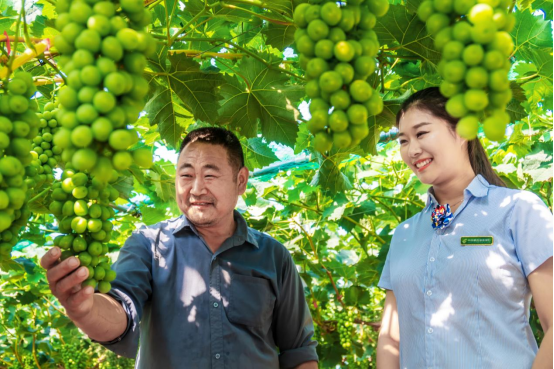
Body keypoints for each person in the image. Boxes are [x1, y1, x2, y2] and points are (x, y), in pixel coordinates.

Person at [41, 127, 319, 369]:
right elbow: (121, 311)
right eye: (186, 175)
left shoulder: (273, 255)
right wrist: (85, 309)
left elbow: (299, 351)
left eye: (210, 176)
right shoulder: (148, 243)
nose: (196, 189)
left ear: (241, 181)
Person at [376, 87, 553, 369]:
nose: (412, 149)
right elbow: (391, 340)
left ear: (462, 132)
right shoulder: (404, 234)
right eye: (402, 140)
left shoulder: (518, 210)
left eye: (421, 134)